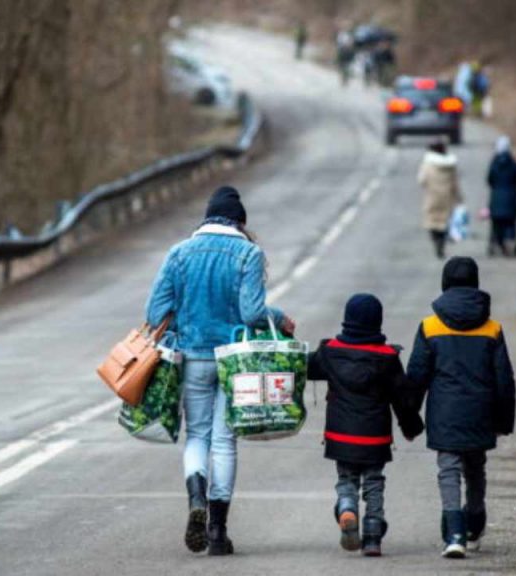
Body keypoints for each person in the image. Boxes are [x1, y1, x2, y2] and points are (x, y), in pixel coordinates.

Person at [146, 186, 296, 556]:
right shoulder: (248, 253)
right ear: (240, 222)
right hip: (235, 361)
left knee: (196, 436)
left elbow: (154, 314)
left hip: (193, 357)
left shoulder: (178, 254)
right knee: (225, 440)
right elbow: (252, 314)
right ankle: (217, 532)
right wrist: (279, 318)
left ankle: (195, 497)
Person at [405, 257, 516, 559]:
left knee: (449, 469)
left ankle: (453, 532)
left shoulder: (430, 326)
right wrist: (504, 420)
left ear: (445, 283)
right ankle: (475, 522)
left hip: (445, 412)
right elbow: (504, 379)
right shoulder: (492, 329)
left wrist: (409, 418)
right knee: (475, 466)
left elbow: (416, 376)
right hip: (481, 411)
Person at [307, 294, 424, 557]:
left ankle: (347, 507)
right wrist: (411, 427)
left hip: (340, 436)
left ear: (347, 320)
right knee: (374, 482)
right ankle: (372, 535)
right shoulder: (387, 357)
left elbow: (305, 367)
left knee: (346, 478)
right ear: (378, 322)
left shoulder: (330, 352)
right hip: (375, 438)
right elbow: (402, 400)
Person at [418, 140, 462, 259]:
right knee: (445, 223)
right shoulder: (451, 165)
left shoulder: (427, 164)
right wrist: (459, 198)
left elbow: (421, 180)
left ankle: (436, 241)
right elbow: (455, 183)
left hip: (432, 198)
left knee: (433, 222)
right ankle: (441, 244)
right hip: (447, 198)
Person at [486, 136, 516, 257]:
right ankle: (511, 243)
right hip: (511, 198)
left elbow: (489, 180)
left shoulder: (494, 163)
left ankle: (497, 243)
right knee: (511, 223)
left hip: (496, 198)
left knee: (496, 223)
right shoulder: (514, 164)